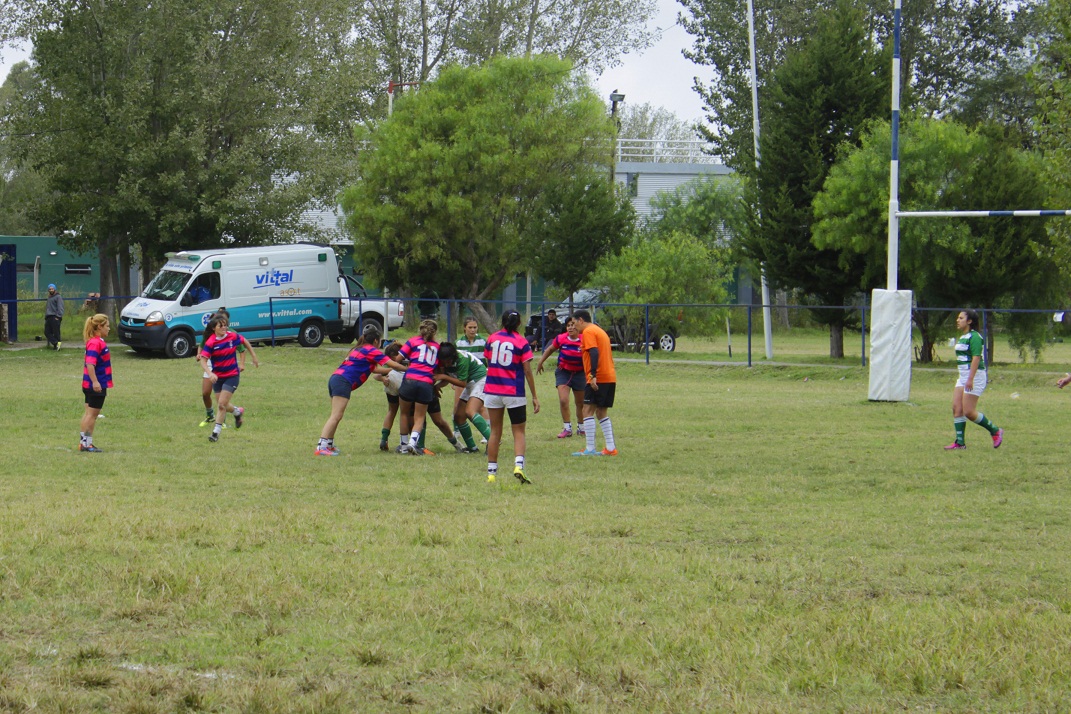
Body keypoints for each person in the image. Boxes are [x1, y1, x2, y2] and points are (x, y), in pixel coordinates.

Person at [316, 324, 406, 456]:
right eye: (379, 341)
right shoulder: (371, 350)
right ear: (376, 340)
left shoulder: (359, 349)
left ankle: (329, 444)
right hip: (343, 381)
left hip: (336, 378)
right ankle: (321, 446)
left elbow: (375, 369)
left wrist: (393, 370)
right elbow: (391, 363)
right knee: (336, 415)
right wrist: (409, 369)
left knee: (336, 415)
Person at [483, 310, 539, 483]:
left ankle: (491, 474)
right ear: (519, 324)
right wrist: (535, 396)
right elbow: (527, 370)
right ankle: (518, 466)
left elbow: (488, 360)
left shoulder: (492, 338)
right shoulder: (521, 342)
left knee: (495, 432)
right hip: (513, 392)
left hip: (492, 390)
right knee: (519, 431)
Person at [945, 308, 1003, 450]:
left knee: (969, 412)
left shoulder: (975, 336)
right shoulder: (964, 336)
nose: (957, 321)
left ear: (969, 321)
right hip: (963, 376)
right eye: (958, 318)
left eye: (961, 318)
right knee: (956, 408)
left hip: (975, 376)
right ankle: (960, 443)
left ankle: (995, 430)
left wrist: (970, 378)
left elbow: (976, 357)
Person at [198, 316, 260, 443]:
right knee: (223, 405)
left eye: (225, 325)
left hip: (232, 375)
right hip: (218, 377)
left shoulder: (232, 336)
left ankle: (215, 433)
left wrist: (253, 356)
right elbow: (203, 360)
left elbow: (244, 341)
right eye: (221, 326)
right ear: (214, 328)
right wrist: (210, 373)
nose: (224, 328)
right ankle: (237, 412)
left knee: (221, 404)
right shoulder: (211, 342)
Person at [571, 309, 619, 457]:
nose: (573, 327)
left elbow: (594, 352)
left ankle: (590, 448)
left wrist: (592, 375)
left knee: (587, 410)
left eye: (574, 323)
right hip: (609, 376)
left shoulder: (588, 332)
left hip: (598, 377)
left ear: (581, 320)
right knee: (601, 411)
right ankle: (610, 448)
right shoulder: (599, 330)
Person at [397, 319, 444, 455]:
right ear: (434, 332)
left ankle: (404, 445)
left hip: (410, 379)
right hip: (426, 383)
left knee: (404, 413)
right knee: (420, 417)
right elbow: (440, 368)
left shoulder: (412, 341)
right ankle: (413, 443)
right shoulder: (437, 347)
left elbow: (398, 359)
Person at [536, 316, 586, 438]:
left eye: (573, 324)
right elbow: (550, 349)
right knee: (564, 400)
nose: (571, 327)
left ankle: (582, 428)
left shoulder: (585, 339)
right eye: (569, 325)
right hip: (564, 372)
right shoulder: (561, 338)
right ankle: (567, 428)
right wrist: (540, 362)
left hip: (580, 373)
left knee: (580, 403)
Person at [440, 342, 491, 452]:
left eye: (448, 361)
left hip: (481, 380)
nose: (446, 364)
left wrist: (443, 376)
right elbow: (446, 379)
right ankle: (472, 448)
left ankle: (492, 441)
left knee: (470, 411)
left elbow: (462, 383)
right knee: (459, 417)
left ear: (453, 356)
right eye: (444, 361)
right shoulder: (443, 361)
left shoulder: (462, 360)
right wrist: (437, 386)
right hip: (470, 384)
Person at [198, 309, 246, 427]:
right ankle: (211, 416)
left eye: (224, 322)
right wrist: (199, 354)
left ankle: (221, 423)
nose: (222, 324)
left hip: (225, 367)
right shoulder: (209, 332)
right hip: (210, 363)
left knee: (221, 400)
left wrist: (242, 364)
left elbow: (242, 349)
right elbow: (201, 345)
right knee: (205, 393)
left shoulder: (231, 334)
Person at [79, 314, 112, 452]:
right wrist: (95, 382)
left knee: (88, 414)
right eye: (107, 326)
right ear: (100, 326)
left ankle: (84, 443)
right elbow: (90, 364)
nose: (109, 329)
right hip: (95, 385)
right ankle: (86, 444)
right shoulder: (95, 343)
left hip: (91, 384)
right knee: (91, 415)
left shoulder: (96, 341)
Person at [374, 342, 407, 451]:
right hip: (403, 381)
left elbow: (376, 375)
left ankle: (384, 439)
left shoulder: (389, 366)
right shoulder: (404, 362)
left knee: (391, 411)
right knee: (405, 413)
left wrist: (384, 379)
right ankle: (406, 442)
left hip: (391, 381)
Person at [45, 284, 64, 350]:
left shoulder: (58, 297)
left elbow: (60, 307)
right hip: (49, 317)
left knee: (56, 333)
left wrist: (58, 316)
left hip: (55, 317)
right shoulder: (49, 297)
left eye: (52, 289)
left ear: (55, 289)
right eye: (50, 289)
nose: (51, 290)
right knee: (47, 332)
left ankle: (58, 346)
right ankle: (55, 343)